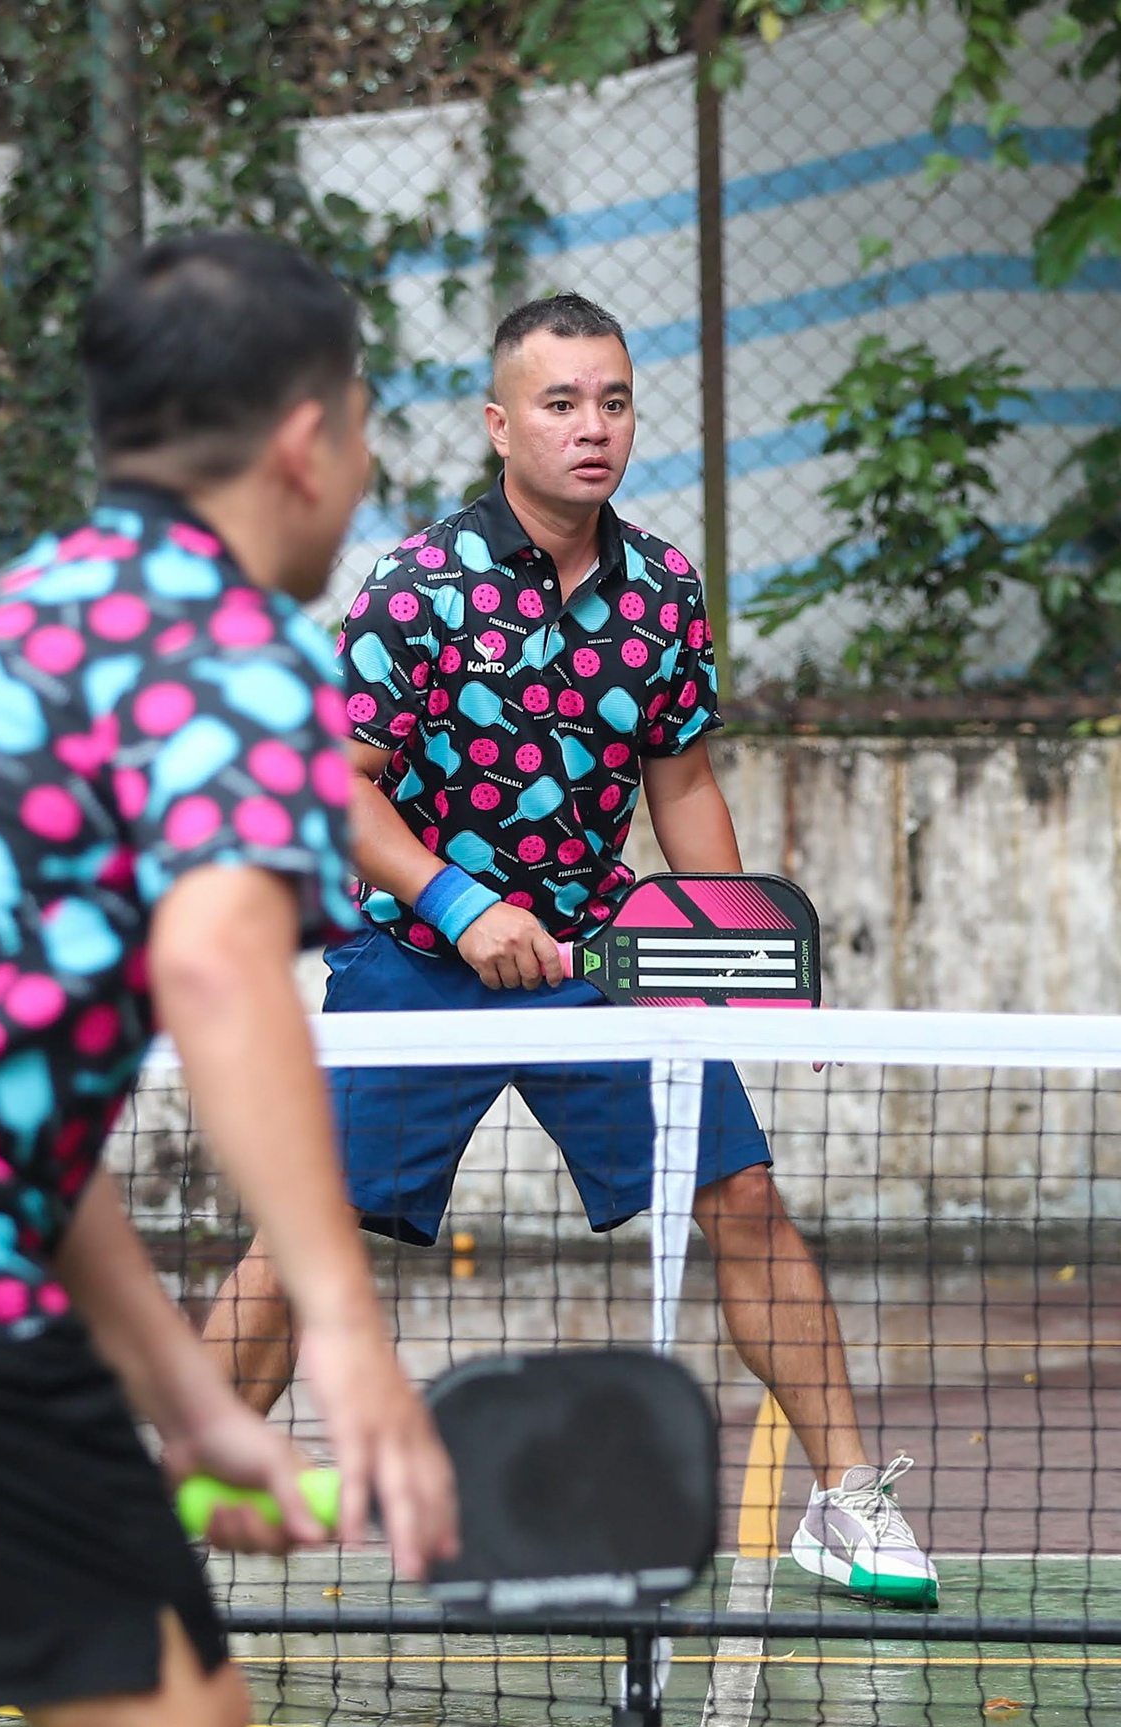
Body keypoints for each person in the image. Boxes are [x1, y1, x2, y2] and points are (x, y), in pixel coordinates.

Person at [197, 291, 938, 1607]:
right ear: (500, 424)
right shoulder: (420, 589)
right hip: (421, 959)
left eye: (612, 400)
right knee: (304, 1235)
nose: (592, 428)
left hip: (603, 957)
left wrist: (734, 958)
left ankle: (846, 1498)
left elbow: (684, 785)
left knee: (746, 1198)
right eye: (559, 403)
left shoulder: (661, 589)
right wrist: (464, 909)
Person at [0, 234, 458, 1727]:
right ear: (305, 444)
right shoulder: (238, 645)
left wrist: (193, 1405)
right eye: (364, 421)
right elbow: (216, 963)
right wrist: (343, 1330)